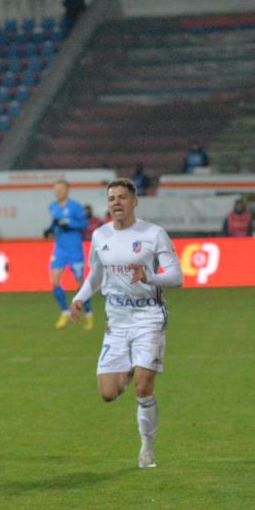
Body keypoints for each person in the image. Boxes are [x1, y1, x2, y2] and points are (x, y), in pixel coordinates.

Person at [70, 178, 183, 469]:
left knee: (143, 389)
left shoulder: (153, 234)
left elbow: (177, 277)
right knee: (108, 394)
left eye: (122, 197)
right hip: (117, 321)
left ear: (134, 202)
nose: (116, 203)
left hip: (148, 317)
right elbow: (96, 273)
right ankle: (134, 366)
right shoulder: (100, 236)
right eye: (111, 198)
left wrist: (150, 278)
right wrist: (80, 298)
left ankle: (147, 447)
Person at [44, 178, 92, 329]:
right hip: (59, 249)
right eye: (56, 189)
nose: (58, 192)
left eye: (61, 189)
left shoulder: (75, 206)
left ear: (67, 190)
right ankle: (64, 311)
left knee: (80, 285)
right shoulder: (52, 207)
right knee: (55, 280)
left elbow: (85, 224)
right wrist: (50, 229)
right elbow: (55, 223)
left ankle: (88, 314)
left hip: (74, 249)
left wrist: (69, 224)